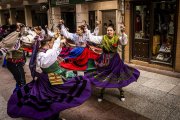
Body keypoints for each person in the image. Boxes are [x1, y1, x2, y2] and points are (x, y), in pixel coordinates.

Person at [7, 32, 91, 120]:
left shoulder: (44, 52)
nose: (52, 44)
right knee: (55, 97)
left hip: (52, 77)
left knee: (56, 96)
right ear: (48, 43)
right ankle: (52, 116)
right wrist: (57, 43)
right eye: (52, 42)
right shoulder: (42, 55)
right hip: (51, 78)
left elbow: (54, 54)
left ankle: (53, 115)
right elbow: (50, 56)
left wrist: (58, 45)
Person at [85, 25, 140, 102]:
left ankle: (121, 92)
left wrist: (123, 32)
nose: (109, 32)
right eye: (108, 30)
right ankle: (102, 91)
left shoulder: (117, 38)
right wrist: (87, 30)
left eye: (110, 30)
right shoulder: (103, 38)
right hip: (104, 60)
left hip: (115, 60)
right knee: (104, 75)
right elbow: (92, 38)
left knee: (118, 76)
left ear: (114, 31)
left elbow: (124, 42)